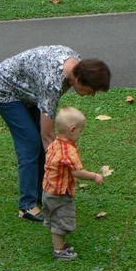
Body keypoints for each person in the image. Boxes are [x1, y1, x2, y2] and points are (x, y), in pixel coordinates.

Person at [0, 45, 110, 221]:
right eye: (91, 90)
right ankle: (27, 205)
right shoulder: (52, 83)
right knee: (31, 143)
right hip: (5, 89)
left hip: (30, 91)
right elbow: (48, 136)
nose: (92, 95)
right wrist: (62, 166)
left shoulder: (76, 64)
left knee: (41, 142)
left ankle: (42, 193)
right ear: (78, 79)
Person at [42, 106, 104, 260]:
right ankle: (59, 252)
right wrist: (95, 176)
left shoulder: (55, 143)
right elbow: (77, 171)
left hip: (48, 191)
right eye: (80, 131)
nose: (80, 134)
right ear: (72, 129)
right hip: (59, 195)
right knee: (61, 221)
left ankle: (60, 246)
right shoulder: (68, 151)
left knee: (56, 219)